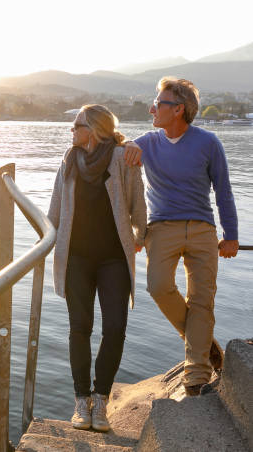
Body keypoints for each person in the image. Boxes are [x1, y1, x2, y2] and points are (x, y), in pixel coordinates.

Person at [123, 77, 238, 396]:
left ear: (179, 110)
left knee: (203, 300)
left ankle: (196, 376)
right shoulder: (146, 142)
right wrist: (127, 144)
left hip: (203, 229)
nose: (152, 108)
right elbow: (117, 151)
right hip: (160, 229)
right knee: (158, 286)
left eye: (159, 103)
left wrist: (231, 235)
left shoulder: (209, 142)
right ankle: (204, 344)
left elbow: (224, 191)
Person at [48, 104, 147, 431]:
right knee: (80, 326)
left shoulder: (122, 157)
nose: (71, 131)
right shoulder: (69, 159)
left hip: (114, 258)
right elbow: (55, 208)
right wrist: (45, 240)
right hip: (76, 256)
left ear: (95, 129)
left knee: (115, 327)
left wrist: (141, 235)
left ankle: (101, 400)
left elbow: (137, 202)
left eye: (77, 125)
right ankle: (81, 402)